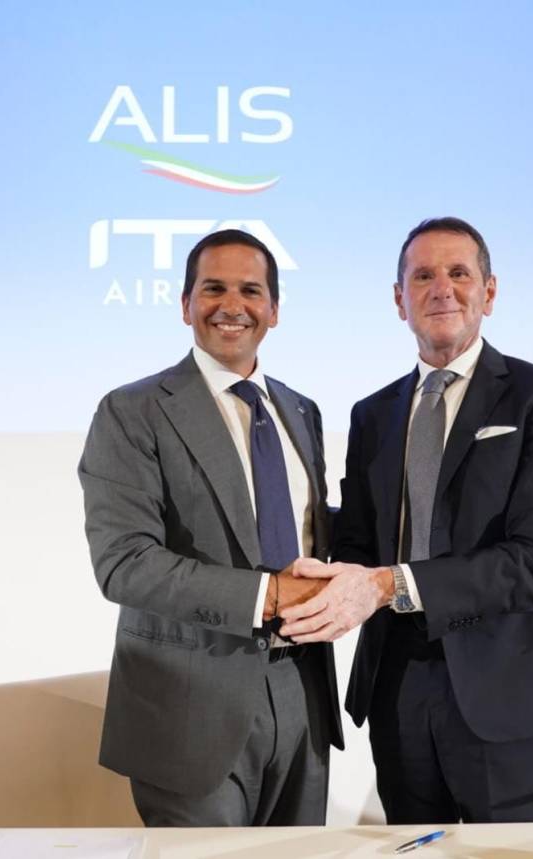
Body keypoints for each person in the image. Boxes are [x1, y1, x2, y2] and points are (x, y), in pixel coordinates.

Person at [280, 217, 533, 824]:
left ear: (489, 292)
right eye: (423, 276)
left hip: (508, 686)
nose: (442, 289)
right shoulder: (372, 414)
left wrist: (389, 584)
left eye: (459, 273)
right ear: (399, 299)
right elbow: (359, 542)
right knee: (410, 850)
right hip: (397, 685)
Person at [78, 229, 343, 827]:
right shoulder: (133, 410)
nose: (232, 305)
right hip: (189, 708)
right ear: (185, 304)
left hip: (302, 693)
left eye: (251, 290)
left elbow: (306, 529)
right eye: (213, 288)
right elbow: (124, 563)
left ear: (274, 309)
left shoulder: (300, 410)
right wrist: (270, 595)